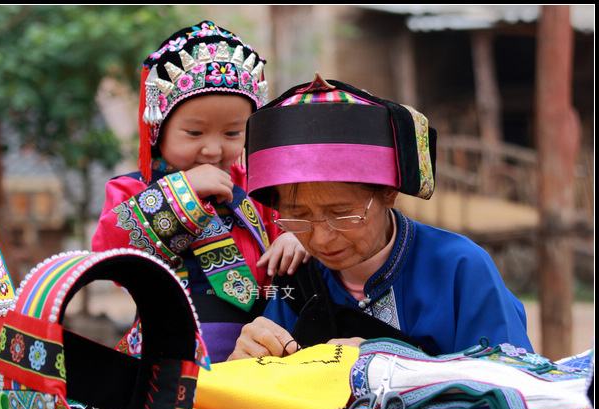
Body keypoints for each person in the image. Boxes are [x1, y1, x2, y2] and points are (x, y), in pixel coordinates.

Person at [228, 75, 534, 360]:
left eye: (342, 215)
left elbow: (513, 384)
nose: (320, 239)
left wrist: (389, 360)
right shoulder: (299, 276)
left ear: (389, 193)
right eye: (298, 217)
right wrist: (245, 362)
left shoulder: (460, 269)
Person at [92, 21, 308, 362]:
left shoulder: (260, 189)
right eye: (194, 132)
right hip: (166, 359)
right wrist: (184, 191)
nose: (212, 149)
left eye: (233, 133)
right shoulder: (132, 189)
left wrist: (297, 239)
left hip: (257, 355)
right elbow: (111, 255)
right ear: (157, 128)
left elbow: (301, 227)